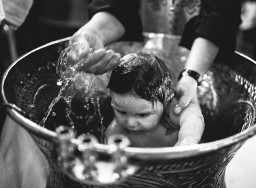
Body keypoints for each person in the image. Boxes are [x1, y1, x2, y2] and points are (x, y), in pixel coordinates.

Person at [65, 0, 242, 116]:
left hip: (198, 67)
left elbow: (220, 16)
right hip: (134, 68)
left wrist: (192, 75)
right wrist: (94, 32)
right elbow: (117, 5)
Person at [104, 51, 205, 147]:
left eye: (142, 115)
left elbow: (193, 117)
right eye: (121, 112)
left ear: (166, 101)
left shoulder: (171, 113)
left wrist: (187, 139)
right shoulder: (114, 133)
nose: (130, 123)